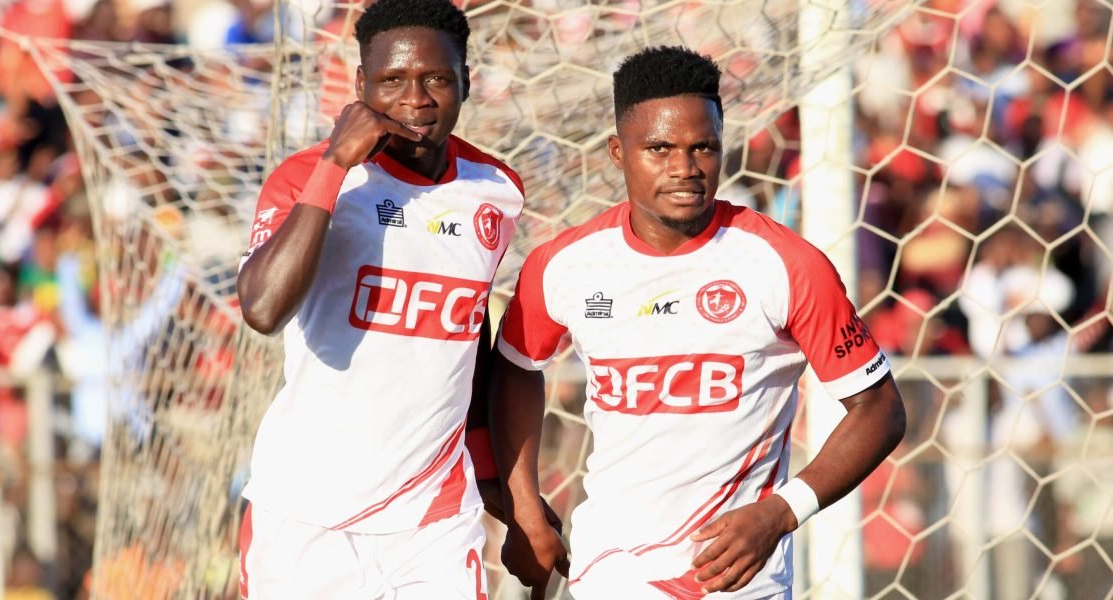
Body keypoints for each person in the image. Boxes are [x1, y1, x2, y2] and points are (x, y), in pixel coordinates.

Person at [490, 46, 906, 600]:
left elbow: (879, 408)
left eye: (702, 147)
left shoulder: (784, 263)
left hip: (736, 581)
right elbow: (515, 370)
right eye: (658, 149)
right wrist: (523, 509)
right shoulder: (563, 264)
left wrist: (783, 512)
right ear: (618, 151)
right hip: (609, 571)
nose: (684, 169)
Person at [234, 0, 527, 596]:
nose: (415, 99)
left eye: (436, 79)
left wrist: (496, 479)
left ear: (465, 81)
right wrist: (337, 162)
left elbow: (471, 336)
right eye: (392, 81)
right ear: (361, 86)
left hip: (434, 518)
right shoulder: (307, 176)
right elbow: (262, 309)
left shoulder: (496, 191)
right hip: (306, 512)